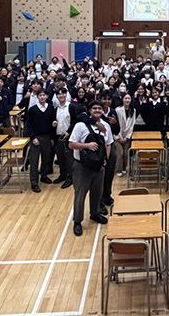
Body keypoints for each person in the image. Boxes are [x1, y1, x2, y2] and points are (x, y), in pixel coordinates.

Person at [69, 101, 112, 236]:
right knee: (80, 194)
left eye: (99, 108)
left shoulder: (106, 126)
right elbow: (71, 144)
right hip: (82, 166)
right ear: (89, 110)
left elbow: (108, 144)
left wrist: (105, 160)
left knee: (97, 192)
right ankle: (77, 221)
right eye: (94, 108)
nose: (97, 110)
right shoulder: (80, 125)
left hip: (99, 165)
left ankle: (95, 213)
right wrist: (87, 146)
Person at [26, 89, 56, 193]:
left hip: (47, 137)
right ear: (37, 97)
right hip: (36, 137)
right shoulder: (32, 109)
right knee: (34, 161)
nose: (42, 97)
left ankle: (44, 176)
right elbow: (29, 125)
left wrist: (52, 137)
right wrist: (33, 137)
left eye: (44, 95)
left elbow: (53, 123)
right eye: (40, 95)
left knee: (46, 159)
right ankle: (34, 182)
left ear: (47, 96)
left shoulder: (51, 108)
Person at [53, 88, 74, 188]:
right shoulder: (56, 108)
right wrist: (53, 123)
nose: (61, 96)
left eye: (63, 94)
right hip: (59, 136)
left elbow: (75, 121)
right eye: (59, 94)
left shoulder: (71, 107)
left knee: (69, 159)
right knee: (60, 157)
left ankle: (70, 178)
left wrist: (69, 132)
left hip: (68, 136)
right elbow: (53, 121)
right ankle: (62, 175)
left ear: (66, 95)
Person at [114, 93, 136, 178]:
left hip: (127, 136)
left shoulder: (133, 110)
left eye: (129, 98)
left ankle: (124, 168)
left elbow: (132, 125)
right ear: (122, 99)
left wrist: (127, 137)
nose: (127, 100)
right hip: (118, 135)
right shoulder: (118, 110)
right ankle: (118, 170)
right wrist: (119, 137)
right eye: (125, 98)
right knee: (120, 153)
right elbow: (116, 125)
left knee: (126, 153)